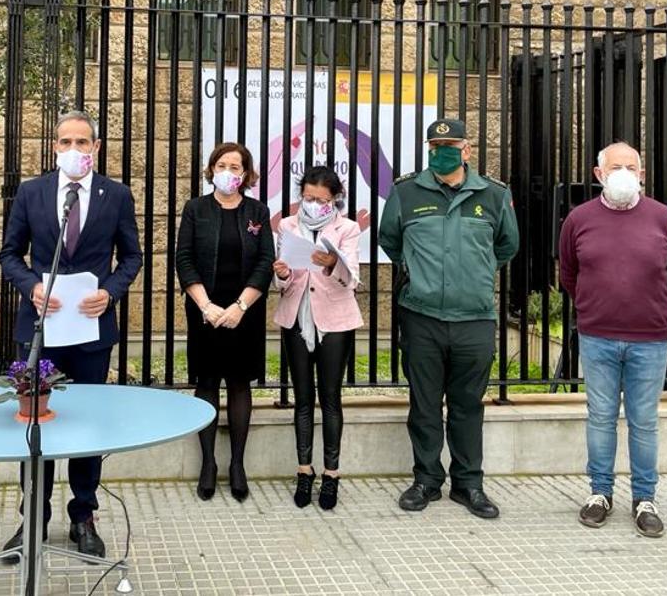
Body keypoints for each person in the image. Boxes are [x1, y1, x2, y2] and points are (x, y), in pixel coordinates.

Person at [0, 110, 143, 559]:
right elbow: (9, 254)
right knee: (37, 424)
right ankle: (33, 518)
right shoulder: (33, 192)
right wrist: (33, 287)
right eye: (66, 142)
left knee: (87, 424)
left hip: (92, 331)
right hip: (41, 331)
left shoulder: (115, 195)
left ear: (96, 148)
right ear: (55, 147)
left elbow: (133, 257)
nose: (74, 150)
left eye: (83, 142)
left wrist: (110, 293)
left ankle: (83, 514)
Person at [378, 118, 518, 519]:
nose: (442, 151)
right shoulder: (406, 192)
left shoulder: (493, 195)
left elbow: (506, 246)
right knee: (423, 404)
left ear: (467, 150)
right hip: (421, 316)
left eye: (450, 144)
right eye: (435, 145)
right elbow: (391, 240)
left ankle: (469, 483)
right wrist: (420, 275)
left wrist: (472, 276)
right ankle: (425, 480)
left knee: (468, 405)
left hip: (474, 318)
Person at [558, 142, 667, 538]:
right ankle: (600, 493)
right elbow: (569, 272)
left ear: (642, 173)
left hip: (649, 338)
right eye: (615, 166)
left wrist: (655, 309)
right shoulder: (578, 219)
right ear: (598, 174)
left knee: (644, 421)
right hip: (598, 335)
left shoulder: (664, 218)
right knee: (600, 418)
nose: (624, 173)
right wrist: (591, 304)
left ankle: (644, 498)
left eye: (631, 166)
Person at [175, 142, 275, 503]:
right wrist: (206, 305)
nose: (229, 172)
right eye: (223, 165)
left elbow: (265, 262)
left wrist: (239, 306)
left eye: (237, 167)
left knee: (238, 384)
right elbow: (184, 258)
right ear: (211, 169)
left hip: (244, 312)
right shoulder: (196, 209)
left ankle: (236, 464)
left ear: (246, 174)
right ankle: (207, 464)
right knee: (207, 382)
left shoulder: (258, 211)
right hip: (206, 311)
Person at [271, 166, 362, 511]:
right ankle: (304, 469)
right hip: (296, 316)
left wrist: (330, 264)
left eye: (321, 200)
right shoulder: (288, 225)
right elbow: (286, 282)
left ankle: (332, 474)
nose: (313, 205)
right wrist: (281, 274)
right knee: (303, 397)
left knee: (331, 397)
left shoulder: (348, 228)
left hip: (335, 320)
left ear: (335, 199)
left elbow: (350, 279)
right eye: (308, 198)